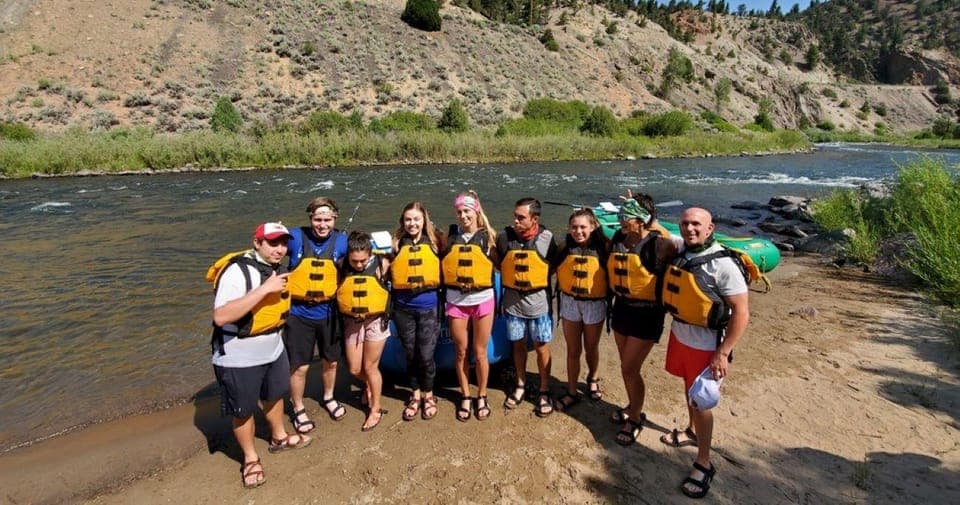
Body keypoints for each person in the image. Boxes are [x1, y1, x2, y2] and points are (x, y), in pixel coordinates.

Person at [209, 222, 312, 489]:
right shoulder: (236, 271)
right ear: (257, 243)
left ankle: (278, 436)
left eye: (283, 243)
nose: (279, 249)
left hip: (273, 347)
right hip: (238, 354)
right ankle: (251, 458)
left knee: (275, 394)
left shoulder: (277, 268)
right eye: (273, 243)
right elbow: (221, 316)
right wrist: (264, 289)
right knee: (243, 409)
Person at [659, 207, 750, 499]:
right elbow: (659, 233)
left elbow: (742, 312)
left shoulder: (724, 265)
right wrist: (642, 212)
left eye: (696, 224)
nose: (690, 229)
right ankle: (690, 430)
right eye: (685, 223)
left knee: (702, 403)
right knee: (689, 391)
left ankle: (704, 462)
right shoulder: (683, 247)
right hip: (682, 335)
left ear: (710, 228)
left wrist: (723, 353)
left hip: (708, 345)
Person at [607, 192, 680, 446]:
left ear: (642, 219)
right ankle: (631, 406)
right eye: (620, 214)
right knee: (626, 367)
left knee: (629, 368)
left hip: (647, 314)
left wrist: (653, 221)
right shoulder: (618, 237)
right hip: (622, 308)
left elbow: (684, 251)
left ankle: (635, 418)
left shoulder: (660, 244)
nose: (620, 220)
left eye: (626, 216)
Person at [284, 197, 349, 434]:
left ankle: (329, 397)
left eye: (327, 220)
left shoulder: (342, 241)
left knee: (330, 361)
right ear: (310, 219)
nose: (322, 225)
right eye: (318, 219)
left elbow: (362, 258)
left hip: (329, 313)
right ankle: (298, 407)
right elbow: (268, 251)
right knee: (299, 367)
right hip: (298, 314)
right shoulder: (293, 237)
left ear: (335, 219)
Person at [498, 197, 560, 418]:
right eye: (515, 216)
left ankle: (544, 389)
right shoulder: (504, 238)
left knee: (542, 347)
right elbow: (499, 263)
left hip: (539, 306)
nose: (515, 220)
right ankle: (521, 384)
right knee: (518, 346)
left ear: (534, 219)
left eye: (520, 217)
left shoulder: (548, 239)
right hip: (513, 306)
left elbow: (553, 266)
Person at [442, 190, 497, 422]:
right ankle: (465, 396)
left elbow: (502, 264)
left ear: (476, 211)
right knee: (461, 351)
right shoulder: (450, 237)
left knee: (480, 352)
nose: (463, 216)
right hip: (456, 301)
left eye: (467, 211)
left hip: (482, 300)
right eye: (459, 212)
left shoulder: (489, 238)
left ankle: (481, 395)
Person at [391, 202, 445, 422]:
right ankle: (414, 395)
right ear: (402, 222)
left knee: (426, 355)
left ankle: (429, 395)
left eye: (416, 219)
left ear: (424, 220)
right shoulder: (395, 244)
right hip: (403, 308)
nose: (412, 223)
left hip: (428, 307)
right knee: (411, 354)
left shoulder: (436, 242)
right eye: (408, 219)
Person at [554, 208, 610, 412]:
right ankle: (571, 391)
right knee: (573, 350)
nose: (578, 231)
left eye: (583, 227)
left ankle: (592, 378)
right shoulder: (564, 247)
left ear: (593, 226)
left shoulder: (605, 248)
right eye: (574, 227)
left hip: (594, 303)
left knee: (591, 346)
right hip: (569, 302)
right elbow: (547, 268)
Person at [337, 231, 391, 431]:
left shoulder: (382, 265)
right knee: (354, 369)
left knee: (370, 367)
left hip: (375, 321)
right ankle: (370, 386)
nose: (359, 265)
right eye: (355, 261)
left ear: (370, 254)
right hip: (352, 322)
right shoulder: (341, 265)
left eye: (363, 260)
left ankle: (375, 409)